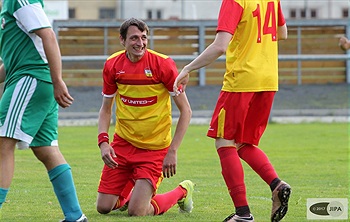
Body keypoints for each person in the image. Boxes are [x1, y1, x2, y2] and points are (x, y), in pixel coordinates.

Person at [174, 0, 291, 221]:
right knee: (244, 143)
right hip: (268, 80)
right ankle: (277, 185)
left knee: (224, 142)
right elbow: (282, 32)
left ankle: (243, 214)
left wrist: (188, 68)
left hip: (242, 81)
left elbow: (220, 45)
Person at [96, 18, 194, 217]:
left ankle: (182, 191)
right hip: (123, 145)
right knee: (104, 207)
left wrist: (172, 151)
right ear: (122, 40)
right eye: (134, 38)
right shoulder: (113, 65)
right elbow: (106, 108)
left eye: (143, 37)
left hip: (154, 149)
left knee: (137, 211)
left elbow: (186, 111)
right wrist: (103, 142)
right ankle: (134, 186)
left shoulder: (163, 65)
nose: (140, 43)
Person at [0, 1, 87, 222]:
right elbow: (12, 62)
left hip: (32, 79)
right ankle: (75, 216)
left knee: (2, 142)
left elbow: (48, 35)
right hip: (36, 81)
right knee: (46, 150)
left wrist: (58, 81)